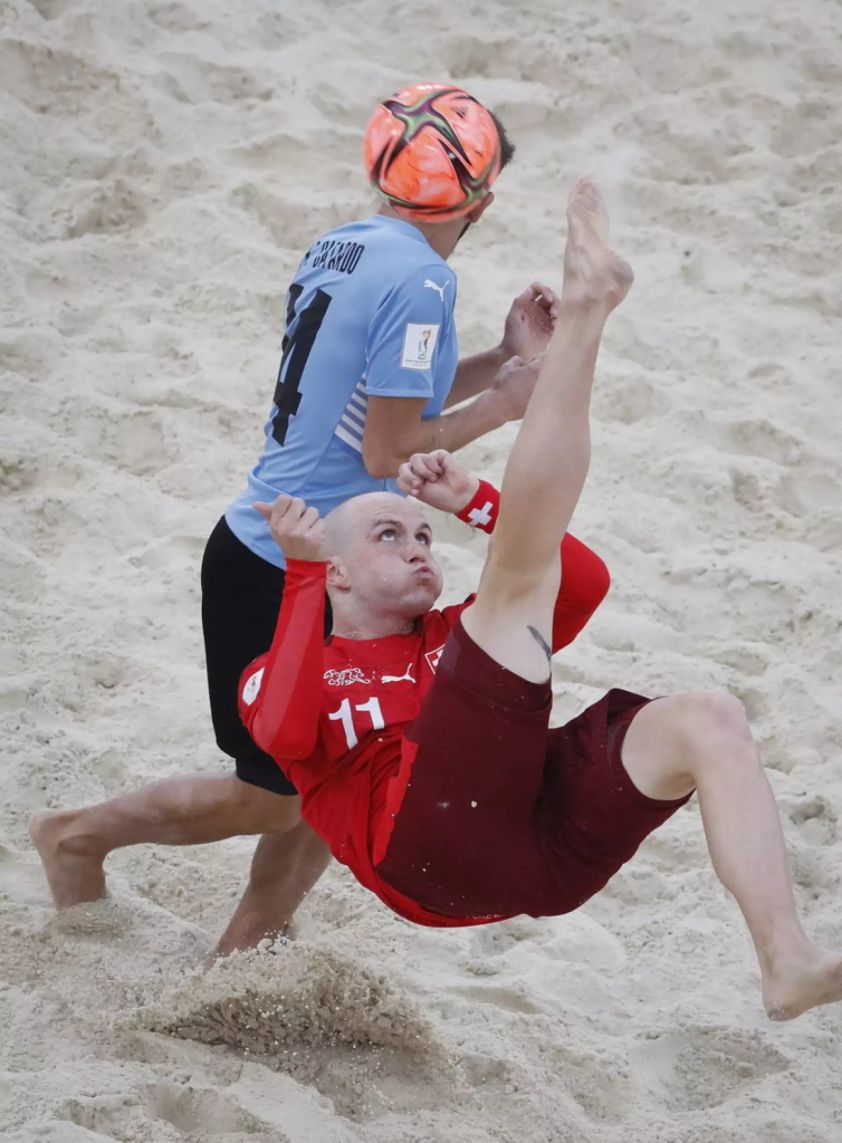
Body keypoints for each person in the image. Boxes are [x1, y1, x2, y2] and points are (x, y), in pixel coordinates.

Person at [237, 179, 842, 1020]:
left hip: (530, 863)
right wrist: (296, 575)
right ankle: (585, 316)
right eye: (390, 534)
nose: (418, 543)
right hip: (418, 852)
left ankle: (785, 959)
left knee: (709, 718)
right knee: (511, 587)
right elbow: (284, 732)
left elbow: (585, 585)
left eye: (425, 535)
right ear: (339, 573)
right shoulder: (295, 660)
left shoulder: (446, 637)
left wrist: (473, 500)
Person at [30, 81, 559, 957]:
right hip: (286, 563)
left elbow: (375, 405)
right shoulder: (426, 279)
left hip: (301, 550)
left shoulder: (344, 246)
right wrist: (506, 403)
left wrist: (501, 361)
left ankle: (244, 952)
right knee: (272, 795)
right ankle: (75, 834)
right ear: (483, 201)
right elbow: (394, 449)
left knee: (341, 772)